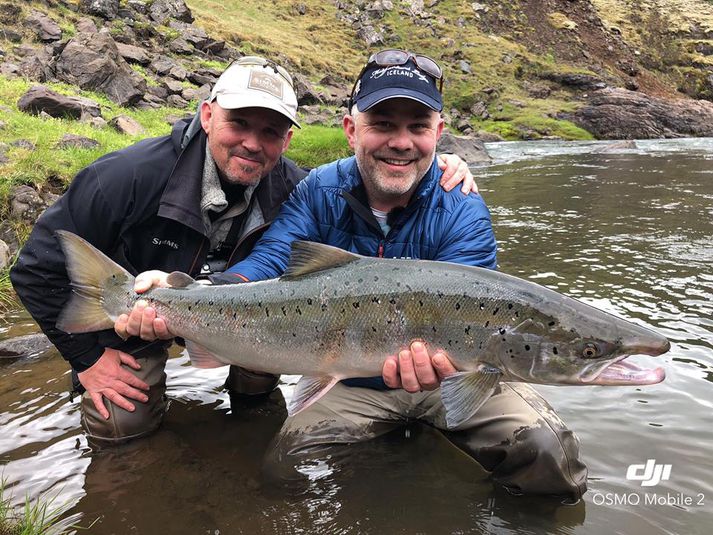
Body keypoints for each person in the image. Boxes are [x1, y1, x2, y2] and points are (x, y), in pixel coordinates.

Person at [119, 49, 588, 500]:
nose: (400, 142)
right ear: (350, 129)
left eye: (417, 127)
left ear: (438, 133)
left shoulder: (462, 207)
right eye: (382, 125)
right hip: (351, 384)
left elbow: (472, 307)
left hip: (459, 380)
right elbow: (270, 263)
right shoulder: (316, 191)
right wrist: (196, 295)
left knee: (551, 460)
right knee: (284, 470)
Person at [10, 55, 476, 445]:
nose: (253, 143)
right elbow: (34, 271)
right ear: (208, 115)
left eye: (271, 131)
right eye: (239, 122)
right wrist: (88, 360)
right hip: (135, 317)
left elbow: (296, 262)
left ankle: (251, 423)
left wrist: (439, 165)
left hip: (225, 311)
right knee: (121, 422)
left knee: (262, 386)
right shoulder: (125, 177)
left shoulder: (299, 188)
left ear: (288, 139)